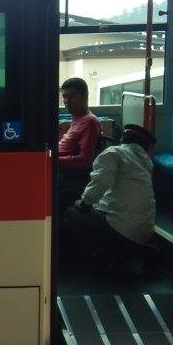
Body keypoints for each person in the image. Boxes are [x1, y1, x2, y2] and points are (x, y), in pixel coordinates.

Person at [61, 123, 157, 271]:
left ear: (123, 139)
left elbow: (101, 181)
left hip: (121, 228)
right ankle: (131, 252)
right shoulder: (145, 162)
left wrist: (85, 202)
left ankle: (102, 256)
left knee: (72, 213)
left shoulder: (113, 153)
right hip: (144, 232)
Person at [55, 77, 102, 198]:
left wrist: (53, 160)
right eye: (65, 97)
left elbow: (84, 161)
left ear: (84, 96)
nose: (67, 101)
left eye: (72, 96)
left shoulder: (90, 122)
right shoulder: (77, 118)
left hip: (68, 174)